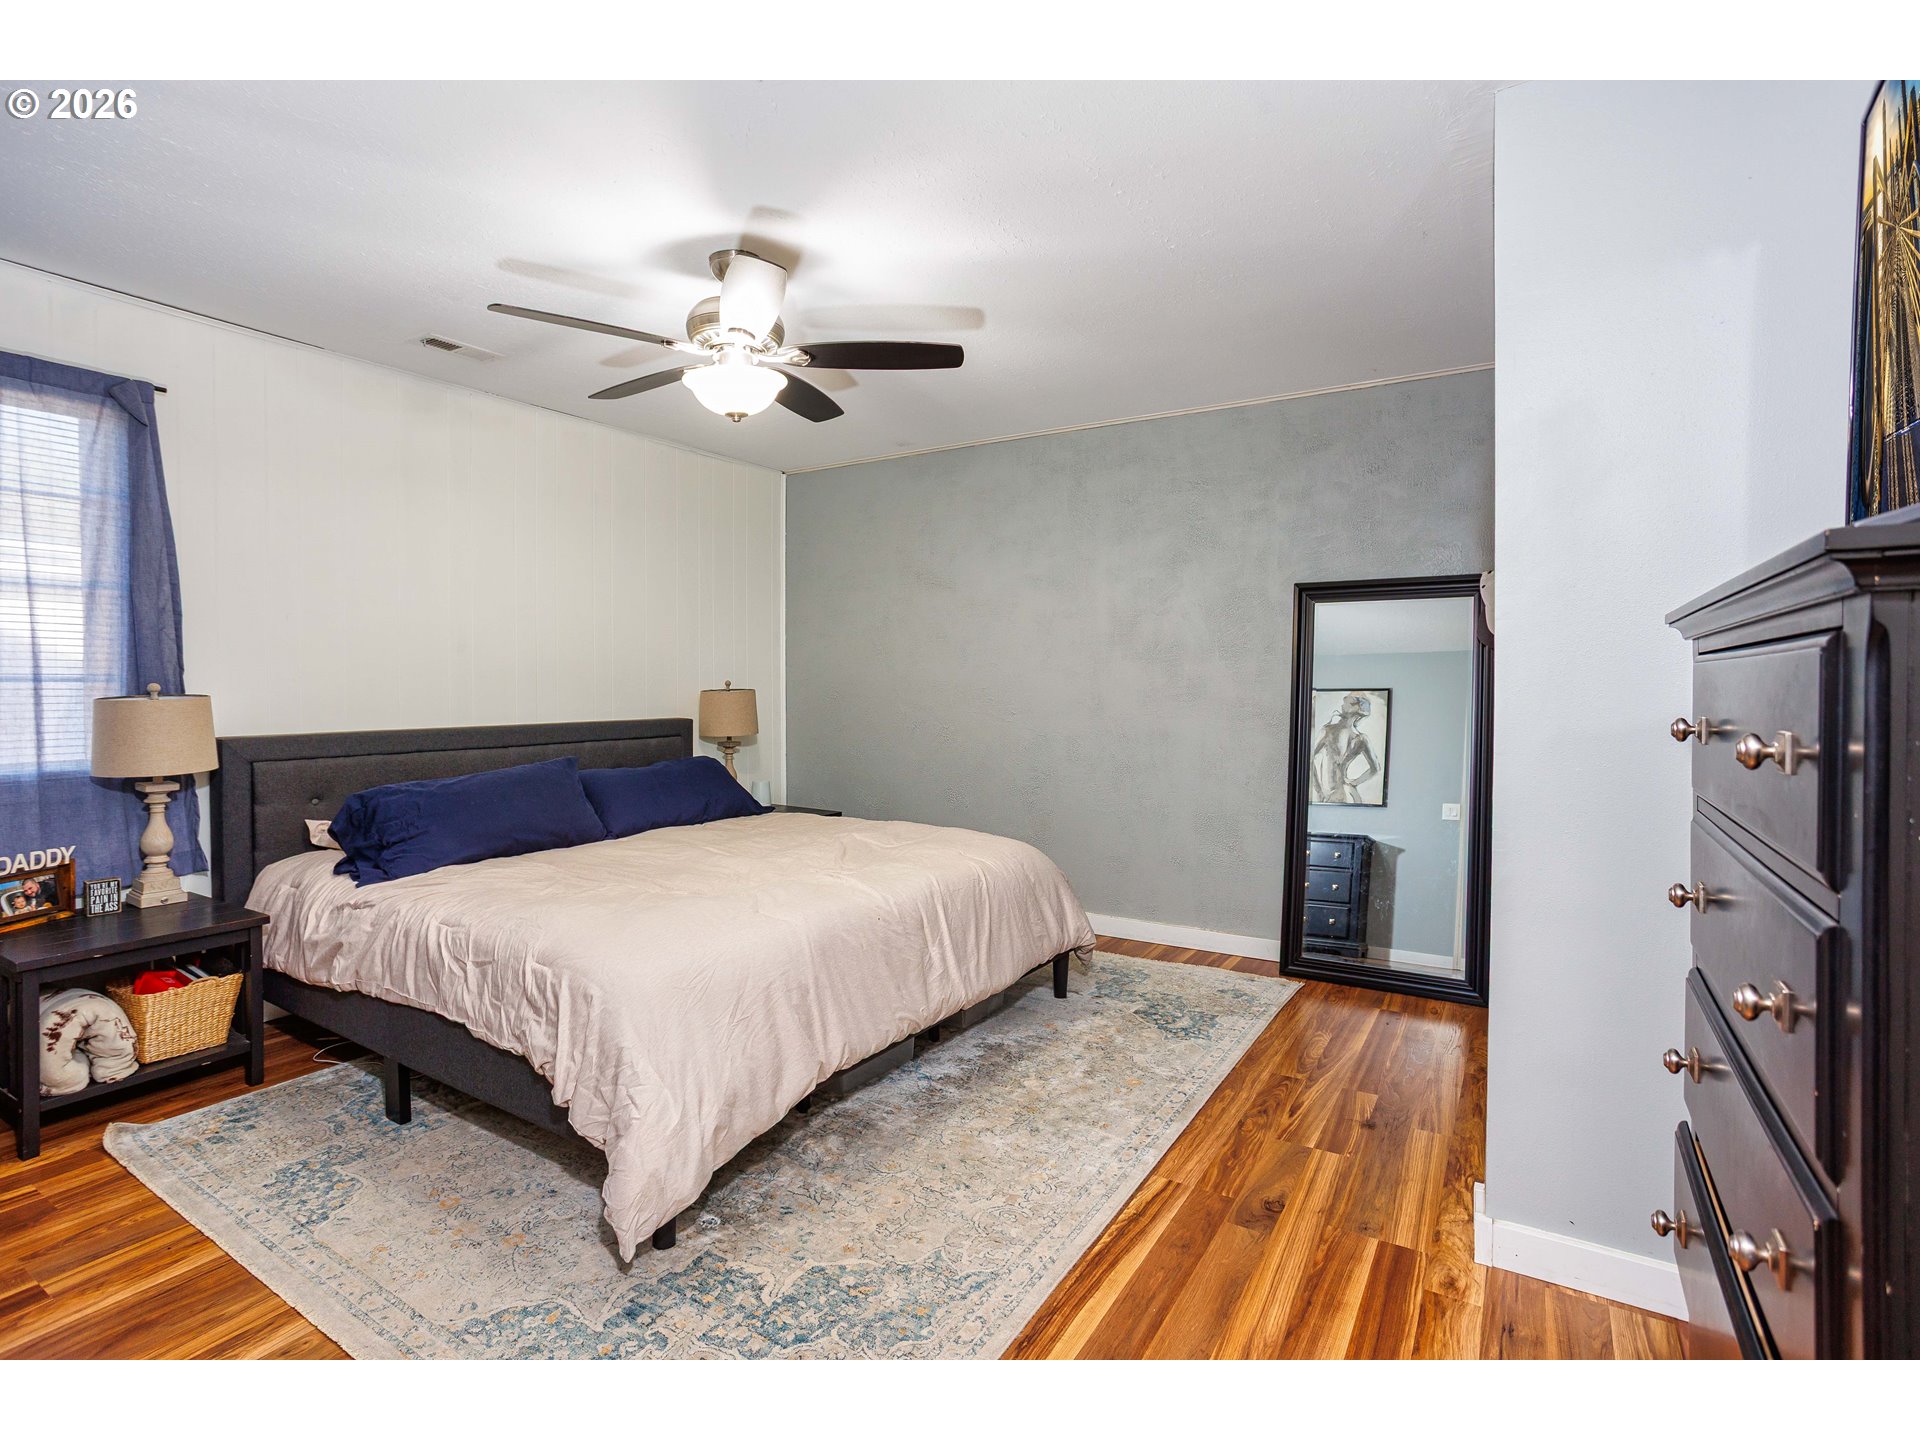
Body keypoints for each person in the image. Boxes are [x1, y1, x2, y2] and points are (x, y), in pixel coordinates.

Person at [1311, 692, 1381, 804]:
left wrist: (1319, 791)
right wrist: (1354, 783)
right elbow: (1375, 768)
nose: (1342, 705)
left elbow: (1307, 760)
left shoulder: (1327, 731)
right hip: (1348, 793)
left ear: (1354, 708)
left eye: (1346, 703)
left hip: (1330, 794)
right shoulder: (1362, 738)